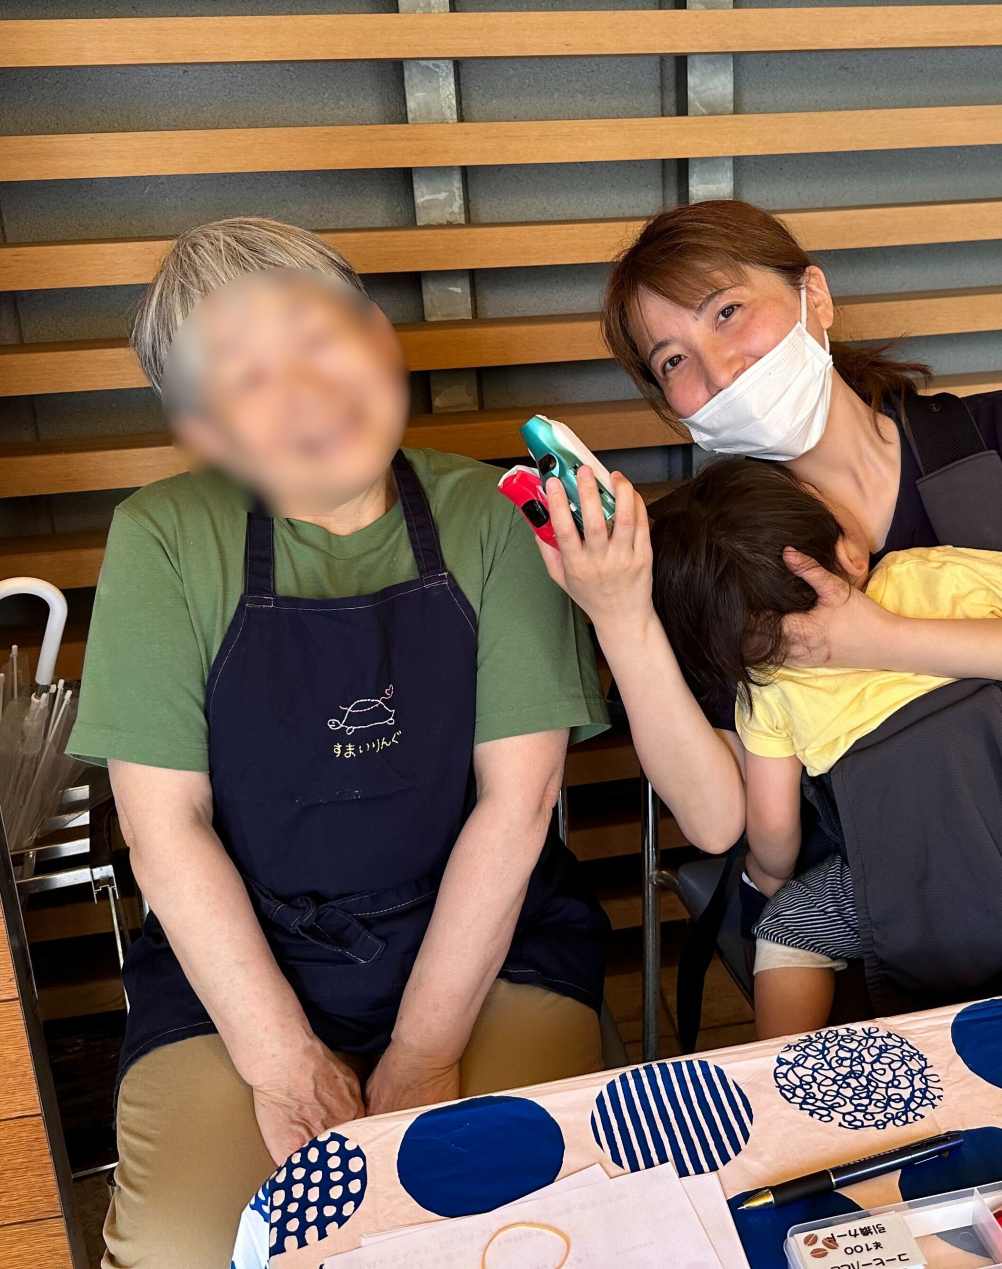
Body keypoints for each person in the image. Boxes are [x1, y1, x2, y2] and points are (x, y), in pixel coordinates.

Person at [67, 218, 740, 1269]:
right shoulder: (162, 536)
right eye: (246, 377)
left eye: (319, 338)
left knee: (516, 1219)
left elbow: (517, 804)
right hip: (244, 957)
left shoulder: (492, 515)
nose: (306, 392)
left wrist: (425, 1051)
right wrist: (285, 1063)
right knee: (189, 1246)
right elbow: (167, 832)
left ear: (380, 337)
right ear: (201, 426)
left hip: (488, 942)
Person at [534, 202, 1002, 949]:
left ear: (814, 295)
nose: (718, 370)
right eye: (673, 361)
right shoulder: (714, 552)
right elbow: (720, 824)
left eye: (727, 312)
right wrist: (622, 616)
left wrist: (885, 638)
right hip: (888, 923)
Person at [646, 457, 1002, 1035]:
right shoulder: (935, 572)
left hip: (908, 875)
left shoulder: (769, 690)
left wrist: (767, 877)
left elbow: (775, 834)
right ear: (849, 553)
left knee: (786, 929)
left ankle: (788, 1069)